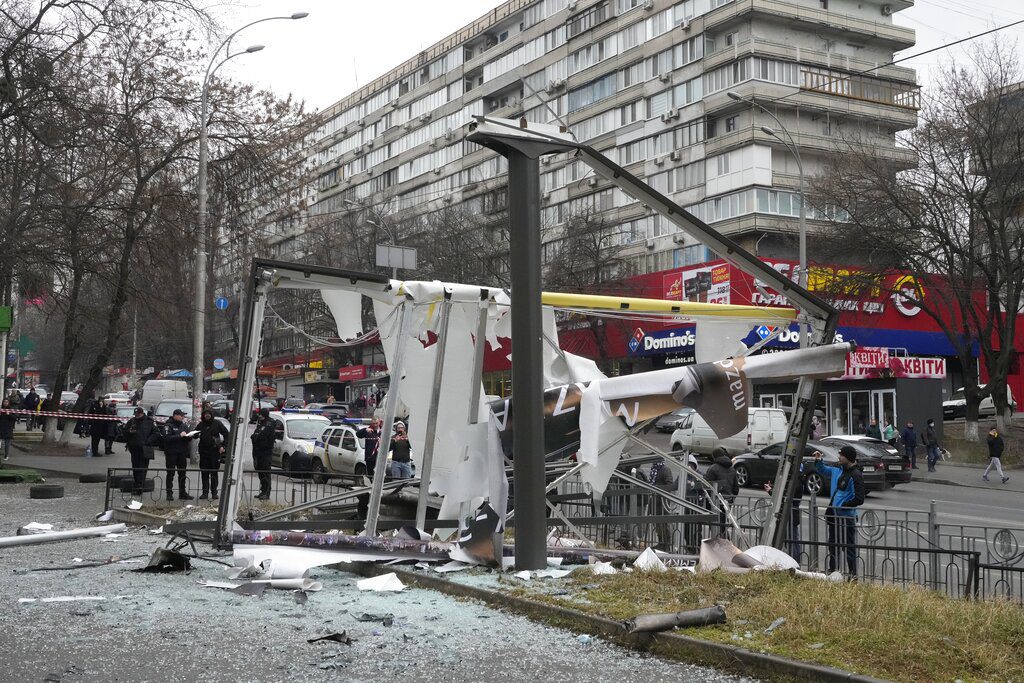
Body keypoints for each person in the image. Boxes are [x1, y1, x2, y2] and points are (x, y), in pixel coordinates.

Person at [815, 445, 865, 577]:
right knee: (833, 545)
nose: (839, 457)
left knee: (849, 547)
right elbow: (824, 470)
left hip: (846, 517)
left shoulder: (855, 474)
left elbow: (859, 498)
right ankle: (833, 573)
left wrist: (843, 506)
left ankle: (853, 575)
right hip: (834, 514)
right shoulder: (840, 469)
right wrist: (819, 461)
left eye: (841, 455)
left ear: (848, 457)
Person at [704, 446, 739, 537]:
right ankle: (725, 542)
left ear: (714, 456)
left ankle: (722, 544)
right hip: (728, 501)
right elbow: (736, 489)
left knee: (715, 524)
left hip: (715, 502)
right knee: (723, 523)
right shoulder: (732, 469)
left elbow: (707, 485)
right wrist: (731, 498)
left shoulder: (713, 468)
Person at [162, 409, 195, 501]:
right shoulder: (168, 425)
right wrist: (179, 436)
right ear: (175, 415)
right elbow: (166, 438)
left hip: (182, 453)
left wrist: (190, 436)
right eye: (181, 415)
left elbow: (187, 437)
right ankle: (169, 493)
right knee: (170, 474)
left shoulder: (183, 425)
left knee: (182, 474)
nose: (182, 417)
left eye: (183, 415)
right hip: (171, 453)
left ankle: (182, 493)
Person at [196, 409, 229, 500]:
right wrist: (193, 434)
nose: (207, 416)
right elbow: (195, 434)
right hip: (203, 452)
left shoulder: (217, 423)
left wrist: (223, 446)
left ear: (211, 415)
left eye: (209, 414)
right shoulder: (201, 424)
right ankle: (205, 492)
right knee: (204, 473)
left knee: (214, 472)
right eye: (205, 414)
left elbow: (227, 434)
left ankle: (214, 492)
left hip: (214, 451)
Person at [124, 407, 156, 496]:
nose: (137, 417)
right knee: (135, 467)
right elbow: (124, 433)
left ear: (142, 413)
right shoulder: (132, 421)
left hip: (145, 448)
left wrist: (148, 441)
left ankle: (140, 486)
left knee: (143, 468)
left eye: (138, 415)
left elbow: (156, 433)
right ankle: (136, 484)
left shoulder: (149, 422)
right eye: (135, 415)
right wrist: (129, 432)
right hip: (134, 448)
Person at [649, 457, 677, 550]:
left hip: (662, 501)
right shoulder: (654, 470)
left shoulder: (665, 470)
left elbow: (669, 484)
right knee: (657, 523)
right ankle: (661, 542)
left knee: (664, 524)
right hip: (654, 500)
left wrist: (658, 488)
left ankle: (667, 544)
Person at [250, 408, 276, 500]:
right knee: (261, 473)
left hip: (265, 453)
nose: (259, 416)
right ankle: (263, 491)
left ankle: (266, 492)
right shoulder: (261, 424)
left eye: (260, 414)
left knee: (265, 473)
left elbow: (262, 436)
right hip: (258, 452)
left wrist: (257, 437)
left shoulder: (269, 424)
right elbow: (254, 436)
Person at [0, 398, 15, 462]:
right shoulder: (1, 409)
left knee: (7, 444)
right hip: (1, 428)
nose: (5, 403)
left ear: (8, 402)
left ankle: (6, 455)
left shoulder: (11, 409)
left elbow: (14, 418)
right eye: (4, 402)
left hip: (8, 428)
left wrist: (9, 414)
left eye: (7, 402)